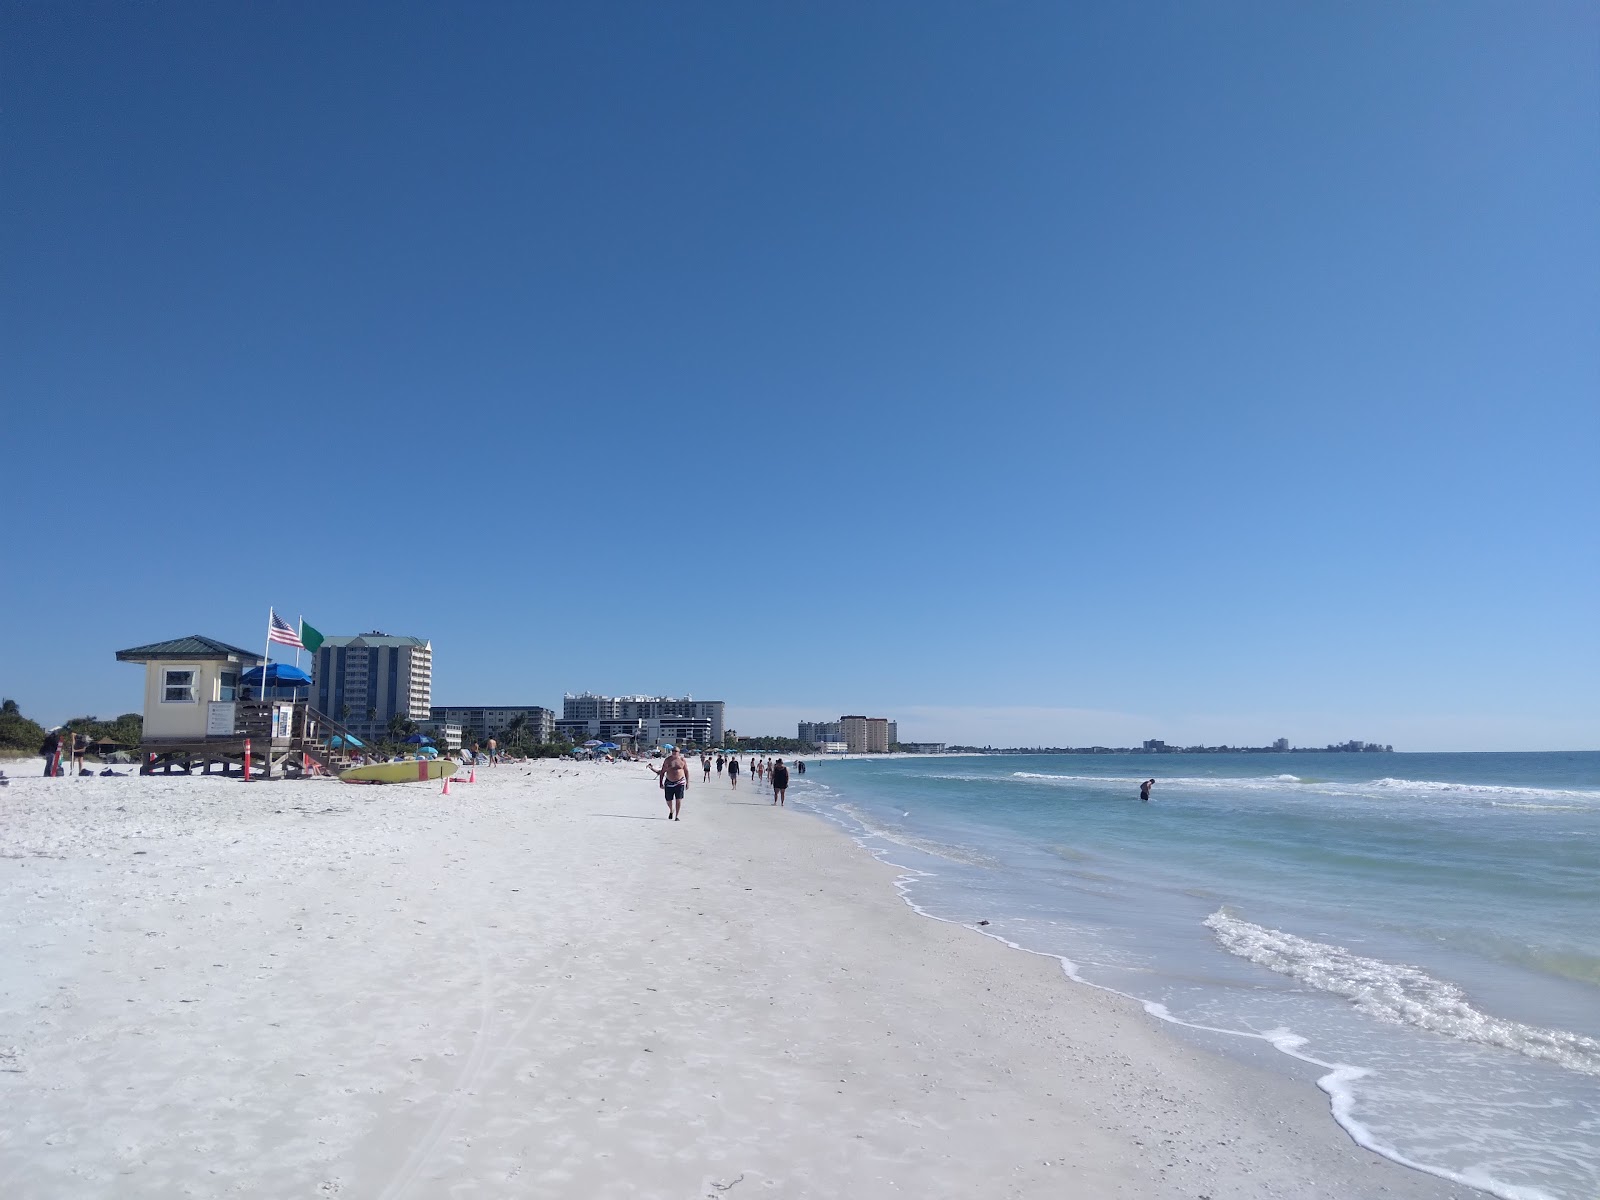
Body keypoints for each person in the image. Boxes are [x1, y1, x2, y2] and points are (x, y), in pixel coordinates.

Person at [660, 746, 689, 820]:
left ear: (679, 752)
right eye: (673, 751)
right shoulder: (668, 760)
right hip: (669, 782)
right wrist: (660, 782)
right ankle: (671, 810)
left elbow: (686, 771)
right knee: (668, 800)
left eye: (676, 751)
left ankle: (677, 816)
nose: (674, 752)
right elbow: (662, 772)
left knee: (678, 799)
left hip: (680, 782)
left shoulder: (682, 760)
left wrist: (687, 782)